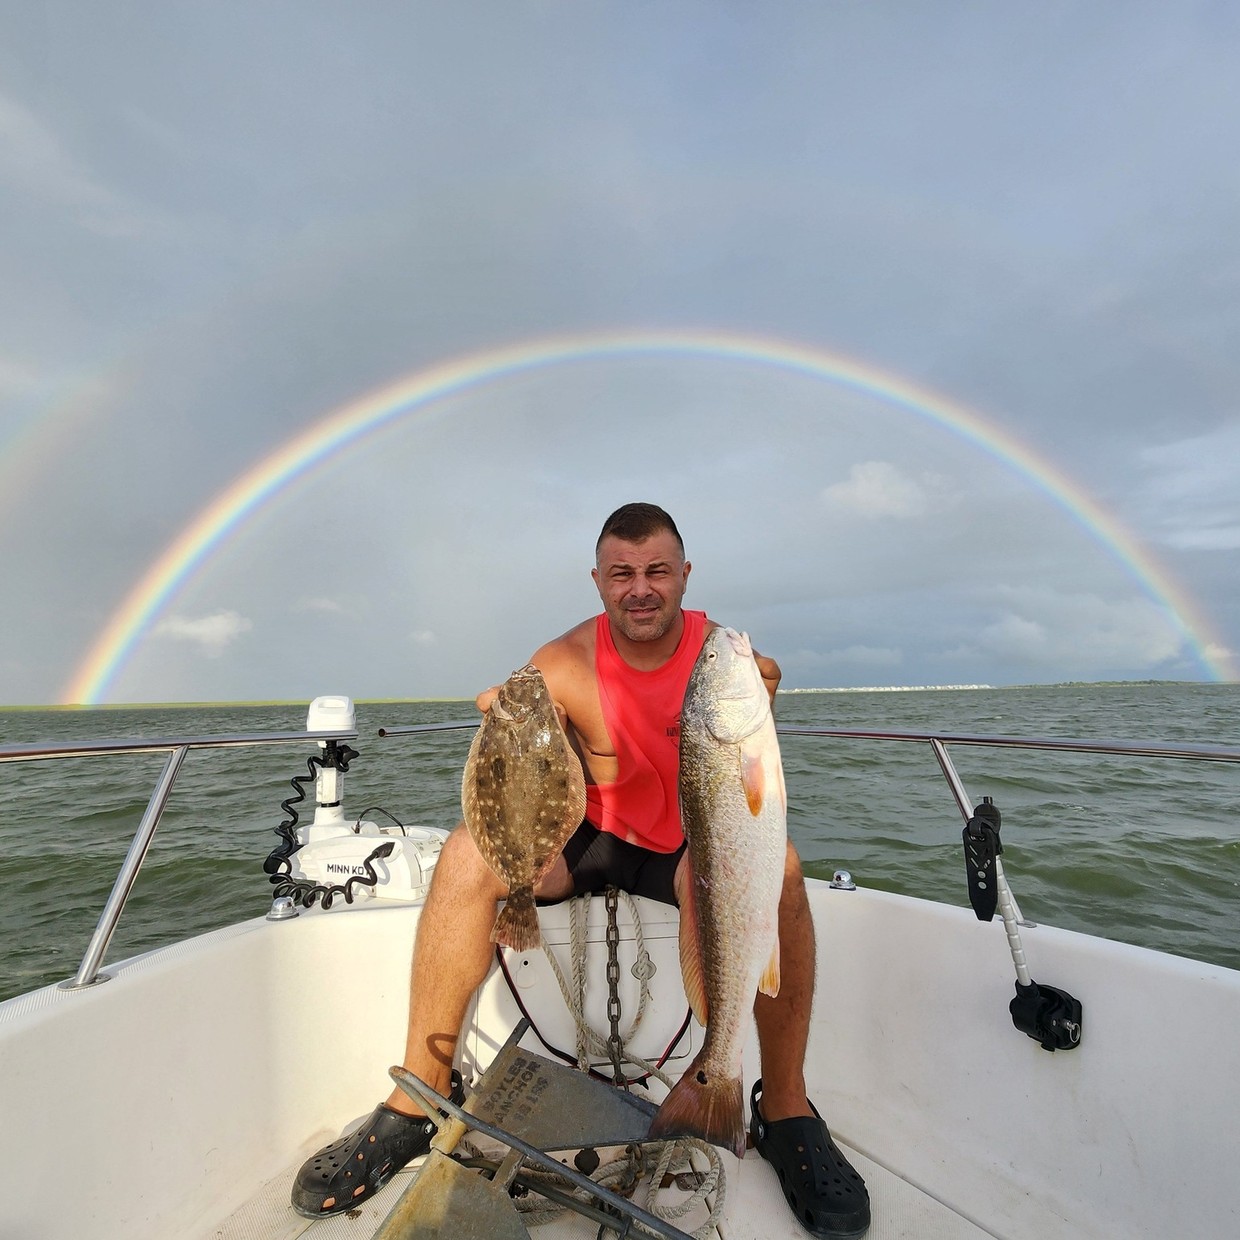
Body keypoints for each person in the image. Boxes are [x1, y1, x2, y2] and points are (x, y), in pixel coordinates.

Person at [292, 502, 871, 1239]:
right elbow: (515, 758)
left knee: (780, 871)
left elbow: (746, 786)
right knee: (466, 854)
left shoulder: (723, 660)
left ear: (685, 575)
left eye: (657, 571)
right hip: (590, 839)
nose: (641, 589)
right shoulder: (563, 661)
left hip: (687, 848)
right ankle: (418, 1101)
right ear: (597, 580)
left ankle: (784, 1108)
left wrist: (768, 694)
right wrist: (502, 716)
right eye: (622, 574)